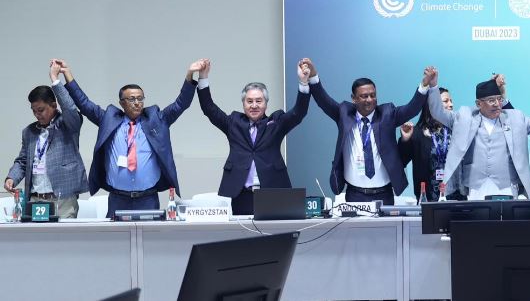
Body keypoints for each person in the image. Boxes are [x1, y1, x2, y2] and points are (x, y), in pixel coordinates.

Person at [64, 59, 201, 217]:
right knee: (115, 234)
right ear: (122, 103)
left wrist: (190, 75)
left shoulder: (157, 120)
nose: (137, 103)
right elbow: (84, 103)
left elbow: (181, 104)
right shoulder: (108, 120)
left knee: (151, 233)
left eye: (140, 98)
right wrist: (67, 74)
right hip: (118, 198)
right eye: (132, 99)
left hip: (147, 198)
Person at [302, 59, 432, 204]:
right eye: (364, 96)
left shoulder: (387, 114)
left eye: (373, 95)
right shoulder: (344, 114)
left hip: (384, 194)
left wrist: (424, 85)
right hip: (355, 194)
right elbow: (323, 101)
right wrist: (313, 76)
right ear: (354, 98)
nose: (370, 99)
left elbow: (412, 109)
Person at [195, 59, 312, 214]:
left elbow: (298, 112)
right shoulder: (233, 123)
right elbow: (209, 108)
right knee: (241, 230)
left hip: (273, 192)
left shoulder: (276, 122)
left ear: (266, 103)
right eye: (249, 101)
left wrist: (303, 83)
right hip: (241, 194)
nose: (254, 105)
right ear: (243, 104)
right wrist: (203, 77)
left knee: (275, 230)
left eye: (259, 101)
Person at [429, 72, 530, 200]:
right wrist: (433, 87)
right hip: (476, 188)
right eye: (491, 100)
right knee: (478, 213)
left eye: (499, 99)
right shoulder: (465, 118)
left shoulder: (515, 118)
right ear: (478, 104)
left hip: (507, 186)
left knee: (507, 214)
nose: (497, 104)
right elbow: (437, 112)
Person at [4, 60, 88, 218]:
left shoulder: (68, 125)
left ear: (54, 105)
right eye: (34, 111)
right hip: (35, 199)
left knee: (63, 235)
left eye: (41, 110)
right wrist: (11, 177)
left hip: (62, 200)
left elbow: (70, 108)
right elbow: (22, 161)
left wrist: (55, 80)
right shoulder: (29, 132)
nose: (37, 114)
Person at [399, 86, 458, 202]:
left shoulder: (457, 129)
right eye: (446, 101)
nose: (451, 104)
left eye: (451, 101)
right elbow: (401, 161)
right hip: (428, 197)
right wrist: (405, 140)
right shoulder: (417, 133)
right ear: (432, 105)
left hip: (457, 197)